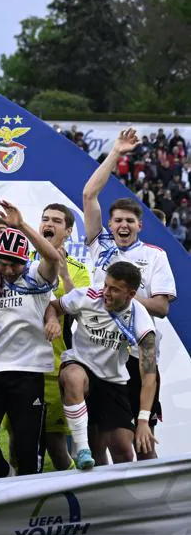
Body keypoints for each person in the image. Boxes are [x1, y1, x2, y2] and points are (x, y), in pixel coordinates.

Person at [82, 128, 176, 460]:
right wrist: (116, 153)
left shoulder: (154, 256)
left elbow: (162, 307)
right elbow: (89, 195)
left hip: (136, 356)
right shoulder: (100, 247)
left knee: (142, 442)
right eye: (118, 220)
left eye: (130, 221)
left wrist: (122, 298)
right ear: (109, 224)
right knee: (105, 441)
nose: (123, 225)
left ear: (140, 226)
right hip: (99, 355)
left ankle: (154, 504)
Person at [0, 199, 61, 479]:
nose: (7, 270)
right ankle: (6, 477)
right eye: (3, 264)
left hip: (28, 372)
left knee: (28, 449)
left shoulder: (36, 276)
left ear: (24, 261)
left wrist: (22, 227)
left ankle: (27, 506)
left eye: (13, 265)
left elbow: (53, 258)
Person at [50, 262, 157, 468]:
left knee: (124, 452)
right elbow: (54, 307)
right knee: (73, 376)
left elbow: (149, 374)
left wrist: (143, 420)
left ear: (131, 294)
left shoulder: (140, 318)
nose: (105, 293)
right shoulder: (88, 296)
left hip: (113, 380)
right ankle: (81, 448)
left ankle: (117, 498)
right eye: (106, 285)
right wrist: (52, 321)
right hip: (80, 365)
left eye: (114, 289)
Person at [36, 204, 90, 471]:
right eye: (45, 219)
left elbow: (79, 306)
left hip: (54, 361)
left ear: (68, 231)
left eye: (56, 221)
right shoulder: (23, 260)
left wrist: (65, 274)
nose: (49, 224)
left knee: (56, 443)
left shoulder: (78, 269)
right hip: (19, 358)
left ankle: (74, 498)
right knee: (18, 440)